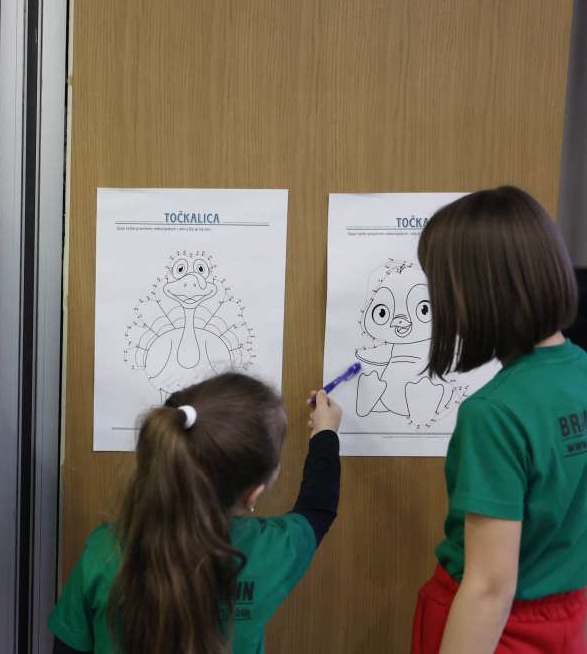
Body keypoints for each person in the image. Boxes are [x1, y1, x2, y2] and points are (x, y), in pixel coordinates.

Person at [411, 186, 587, 654]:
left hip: (495, 632)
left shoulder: (494, 413)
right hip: (568, 621)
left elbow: (489, 588)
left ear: (476, 294)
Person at [50, 372, 342, 654]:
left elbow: (67, 647)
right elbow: (318, 509)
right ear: (253, 495)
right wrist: (325, 433)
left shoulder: (104, 549)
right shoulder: (271, 550)